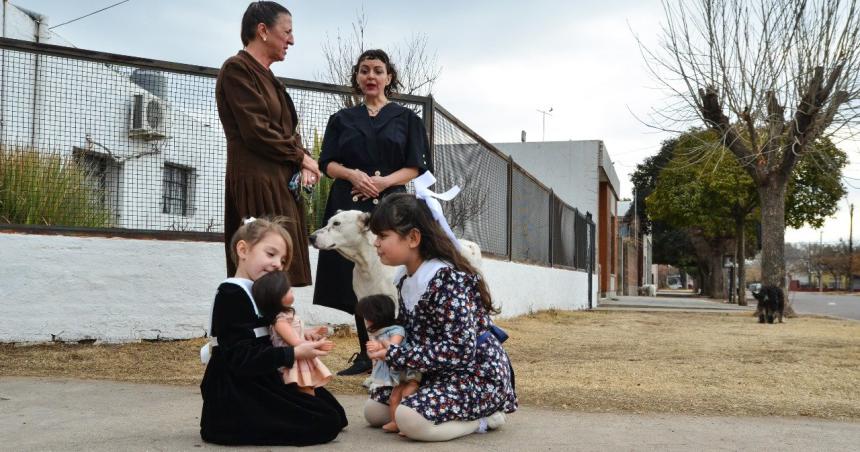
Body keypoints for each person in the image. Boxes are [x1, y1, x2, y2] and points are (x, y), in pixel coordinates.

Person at [313, 49, 432, 376]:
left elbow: (416, 167)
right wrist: (354, 175)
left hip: (391, 207)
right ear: (357, 77)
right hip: (348, 206)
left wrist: (382, 184)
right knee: (358, 275)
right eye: (364, 70)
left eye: (377, 70)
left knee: (392, 275)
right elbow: (327, 164)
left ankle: (396, 346)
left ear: (388, 77)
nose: (370, 76)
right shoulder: (341, 119)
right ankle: (367, 354)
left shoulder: (408, 119)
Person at [364, 193, 517, 442]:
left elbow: (460, 350)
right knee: (374, 411)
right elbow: (411, 333)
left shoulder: (446, 280)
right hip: (437, 373)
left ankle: (485, 420)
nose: (376, 243)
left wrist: (397, 355)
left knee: (410, 419)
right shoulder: (405, 278)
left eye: (383, 236)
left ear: (413, 238)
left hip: (476, 376)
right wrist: (388, 343)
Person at [199, 217, 347, 446]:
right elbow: (239, 357)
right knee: (325, 421)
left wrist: (301, 337)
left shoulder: (258, 293)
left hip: (261, 374)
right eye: (271, 254)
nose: (278, 264)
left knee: (333, 411)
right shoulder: (231, 294)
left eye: (283, 259)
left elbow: (275, 332)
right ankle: (232, 425)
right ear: (243, 250)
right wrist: (293, 354)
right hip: (237, 388)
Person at [215, 1, 320, 283]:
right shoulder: (237, 70)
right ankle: (258, 327)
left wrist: (306, 161)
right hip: (256, 182)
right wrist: (301, 158)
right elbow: (256, 130)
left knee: (280, 270)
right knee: (262, 268)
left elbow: (288, 131)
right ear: (262, 30)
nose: (292, 40)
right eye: (286, 31)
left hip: (279, 181)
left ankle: (279, 325)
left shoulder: (271, 79)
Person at [252, 270, 334, 396]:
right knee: (306, 390)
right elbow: (295, 342)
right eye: (288, 290)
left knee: (308, 387)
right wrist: (318, 344)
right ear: (277, 296)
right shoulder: (280, 321)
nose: (292, 291)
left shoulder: (286, 315)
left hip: (299, 358)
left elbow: (295, 333)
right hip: (295, 361)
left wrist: (310, 332)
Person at [355, 294, 421, 433]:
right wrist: (373, 352)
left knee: (407, 394)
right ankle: (395, 422)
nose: (366, 321)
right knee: (394, 397)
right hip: (397, 374)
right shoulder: (378, 333)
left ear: (376, 316)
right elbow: (374, 355)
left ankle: (407, 423)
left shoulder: (397, 330)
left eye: (367, 318)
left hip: (408, 371)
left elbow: (393, 349)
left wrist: (379, 347)